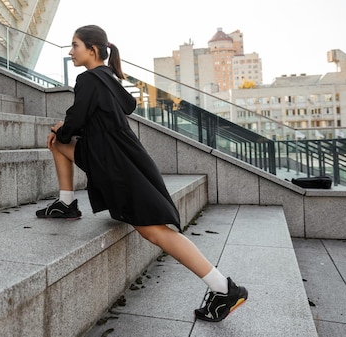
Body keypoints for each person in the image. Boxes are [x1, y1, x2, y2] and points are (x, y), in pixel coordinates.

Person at [36, 25, 248, 322]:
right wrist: (65, 131)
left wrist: (61, 127)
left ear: (92, 50)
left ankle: (224, 288)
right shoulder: (108, 78)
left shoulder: (87, 79)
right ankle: (66, 202)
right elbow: (120, 108)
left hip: (114, 164)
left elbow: (77, 119)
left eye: (75, 45)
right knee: (59, 143)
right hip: (118, 157)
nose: (71, 52)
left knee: (154, 231)